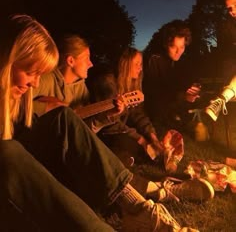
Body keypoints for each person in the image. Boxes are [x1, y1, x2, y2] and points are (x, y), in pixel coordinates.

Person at [0, 14, 202, 232]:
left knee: (64, 119)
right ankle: (152, 193)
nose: (35, 82)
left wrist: (111, 119)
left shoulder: (77, 89)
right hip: (15, 165)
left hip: (42, 156)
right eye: (31, 72)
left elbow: (79, 132)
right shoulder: (92, 82)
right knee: (9, 152)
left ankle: (139, 208)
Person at [88, 47, 214, 203]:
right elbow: (109, 125)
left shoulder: (132, 85)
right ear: (125, 64)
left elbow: (138, 114)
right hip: (106, 135)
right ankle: (155, 187)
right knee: (131, 147)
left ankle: (170, 173)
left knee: (149, 149)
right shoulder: (107, 83)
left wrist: (152, 137)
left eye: (141, 64)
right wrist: (140, 139)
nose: (141, 68)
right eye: (137, 64)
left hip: (121, 132)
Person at [143, 20, 201, 134]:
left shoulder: (180, 60)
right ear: (165, 44)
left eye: (182, 47)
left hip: (173, 108)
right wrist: (181, 96)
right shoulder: (154, 59)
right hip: (154, 112)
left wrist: (191, 91)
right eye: (174, 47)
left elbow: (184, 82)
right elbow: (154, 94)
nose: (179, 51)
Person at [205, 0, 236, 121]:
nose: (233, 11)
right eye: (229, 8)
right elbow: (227, 57)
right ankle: (222, 98)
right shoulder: (229, 27)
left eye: (235, 5)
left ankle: (222, 98)